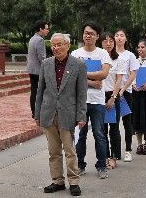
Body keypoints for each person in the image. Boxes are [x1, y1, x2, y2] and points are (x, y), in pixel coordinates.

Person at [35, 33, 87, 196]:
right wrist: (37, 114)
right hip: (48, 113)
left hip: (68, 113)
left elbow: (82, 93)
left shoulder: (78, 65)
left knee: (70, 151)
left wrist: (81, 115)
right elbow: (40, 90)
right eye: (53, 45)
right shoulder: (46, 64)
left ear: (67, 45)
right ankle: (57, 181)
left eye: (59, 44)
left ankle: (74, 182)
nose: (56, 48)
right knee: (53, 151)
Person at [71, 21, 111, 179]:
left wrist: (82, 74)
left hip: (97, 101)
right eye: (86, 33)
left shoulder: (102, 54)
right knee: (80, 135)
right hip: (80, 101)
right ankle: (80, 165)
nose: (88, 36)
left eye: (91, 34)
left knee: (99, 134)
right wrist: (92, 82)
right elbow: (72, 76)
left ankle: (101, 165)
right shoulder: (75, 54)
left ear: (97, 36)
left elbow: (104, 74)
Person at [111, 28, 138, 163]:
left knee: (127, 122)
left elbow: (133, 74)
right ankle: (115, 152)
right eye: (117, 35)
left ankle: (128, 150)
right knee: (113, 123)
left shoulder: (130, 55)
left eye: (122, 35)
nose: (119, 37)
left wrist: (122, 90)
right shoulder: (109, 54)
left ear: (126, 38)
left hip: (125, 92)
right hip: (111, 91)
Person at [99, 33, 121, 169]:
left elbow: (119, 80)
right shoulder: (98, 58)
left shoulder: (118, 60)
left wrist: (113, 97)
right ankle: (105, 156)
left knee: (114, 128)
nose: (108, 44)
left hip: (112, 95)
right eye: (105, 41)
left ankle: (114, 157)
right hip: (98, 95)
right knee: (101, 129)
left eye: (111, 41)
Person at [28, 20, 50, 116]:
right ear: (41, 29)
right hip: (38, 70)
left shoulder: (32, 38)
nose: (48, 31)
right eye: (46, 29)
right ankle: (38, 112)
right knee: (39, 91)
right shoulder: (40, 40)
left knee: (34, 91)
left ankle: (34, 112)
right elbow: (42, 57)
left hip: (31, 69)